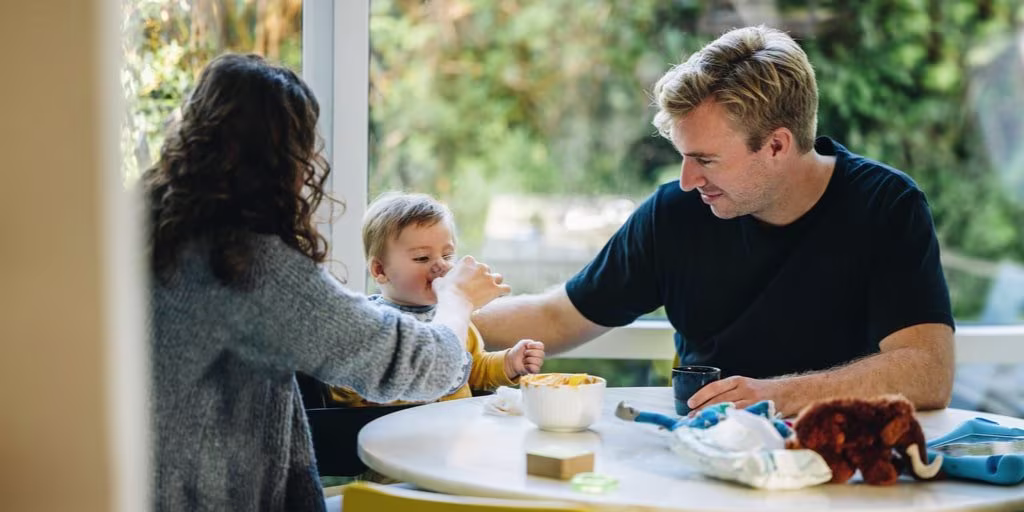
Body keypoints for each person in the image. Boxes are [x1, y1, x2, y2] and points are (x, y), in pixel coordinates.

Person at [473, 26, 955, 417]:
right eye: (683, 156)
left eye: (705, 159)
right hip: (703, 463)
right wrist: (429, 319)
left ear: (777, 146)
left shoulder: (886, 206)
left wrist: (777, 395)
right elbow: (559, 316)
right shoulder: (674, 216)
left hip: (848, 470)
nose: (686, 180)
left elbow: (927, 371)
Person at [145, 53, 509, 511]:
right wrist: (456, 299)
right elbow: (421, 368)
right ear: (284, 160)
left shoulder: (150, 232)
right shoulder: (247, 266)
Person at [328, 192, 545, 407]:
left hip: (453, 435)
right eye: (422, 257)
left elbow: (473, 368)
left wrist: (509, 363)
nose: (441, 265)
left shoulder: (454, 319)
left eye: (448, 255)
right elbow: (346, 388)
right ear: (379, 269)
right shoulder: (371, 325)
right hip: (393, 436)